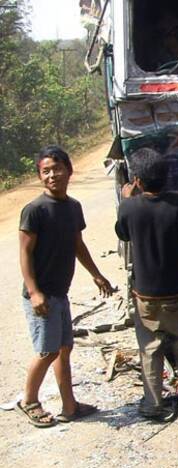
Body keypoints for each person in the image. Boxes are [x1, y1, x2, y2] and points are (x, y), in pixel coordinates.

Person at [18, 145, 113, 428]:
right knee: (47, 351)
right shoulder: (34, 210)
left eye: (57, 169)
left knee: (63, 349)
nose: (52, 175)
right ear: (39, 176)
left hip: (60, 292)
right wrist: (34, 292)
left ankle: (69, 406)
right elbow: (24, 253)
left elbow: (77, 244)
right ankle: (29, 401)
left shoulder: (73, 207)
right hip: (41, 295)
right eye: (45, 171)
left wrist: (97, 274)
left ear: (69, 171)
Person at [115, 147, 178, 422]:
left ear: (138, 181)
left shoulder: (129, 207)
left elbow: (123, 234)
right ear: (167, 177)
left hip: (145, 294)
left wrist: (127, 199)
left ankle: (154, 404)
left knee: (150, 349)